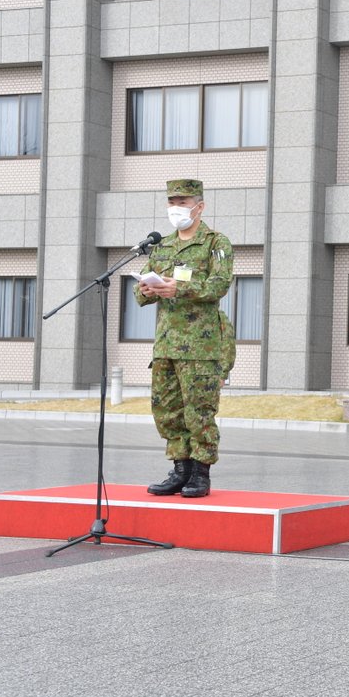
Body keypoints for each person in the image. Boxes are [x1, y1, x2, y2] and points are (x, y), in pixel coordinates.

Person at [140, 179, 235, 499]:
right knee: (166, 410)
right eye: (172, 203)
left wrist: (179, 288)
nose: (175, 209)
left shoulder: (215, 243)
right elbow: (141, 294)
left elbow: (219, 285)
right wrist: (146, 289)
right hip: (166, 343)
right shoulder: (162, 246)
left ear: (199, 206)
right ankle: (180, 470)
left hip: (200, 345)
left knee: (199, 411)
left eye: (182, 203)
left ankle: (200, 473)